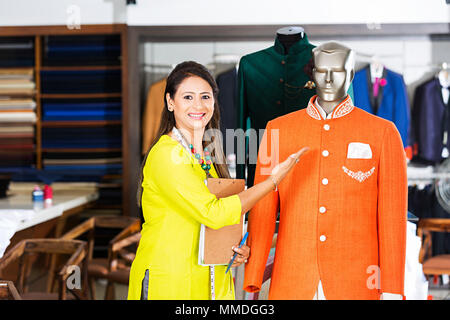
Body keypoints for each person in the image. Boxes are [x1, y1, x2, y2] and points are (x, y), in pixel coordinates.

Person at [127, 61, 308, 300]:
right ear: (170, 102)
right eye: (188, 97)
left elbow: (216, 224)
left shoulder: (206, 154)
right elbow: (213, 213)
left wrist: (235, 248)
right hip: (170, 279)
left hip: (209, 279)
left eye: (205, 96)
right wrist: (273, 181)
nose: (198, 105)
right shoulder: (166, 154)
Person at [244, 42, 407, 300]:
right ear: (312, 75)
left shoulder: (383, 132)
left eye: (338, 71)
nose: (329, 79)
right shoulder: (277, 130)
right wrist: (253, 275)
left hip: (357, 280)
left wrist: (392, 289)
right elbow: (262, 207)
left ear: (351, 75)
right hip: (293, 276)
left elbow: (392, 219)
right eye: (321, 70)